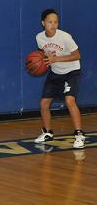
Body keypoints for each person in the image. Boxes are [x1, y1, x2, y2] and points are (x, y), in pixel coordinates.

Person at [33, 9, 85, 149]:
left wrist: (57, 59)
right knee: (44, 103)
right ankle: (47, 132)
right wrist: (40, 62)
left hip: (72, 71)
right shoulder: (39, 37)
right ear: (43, 23)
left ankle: (79, 135)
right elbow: (45, 55)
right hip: (56, 72)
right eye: (50, 22)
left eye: (56, 22)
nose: (53, 24)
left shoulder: (65, 37)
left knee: (69, 100)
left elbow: (77, 55)